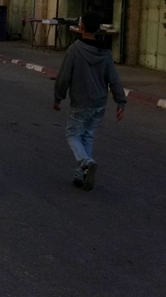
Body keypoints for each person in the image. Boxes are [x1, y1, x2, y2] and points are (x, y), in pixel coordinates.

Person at [53, 10, 126, 191]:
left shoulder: (75, 50)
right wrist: (120, 101)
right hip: (99, 104)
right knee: (87, 136)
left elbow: (63, 78)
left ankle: (86, 161)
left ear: (81, 26)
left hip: (81, 102)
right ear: (99, 28)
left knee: (73, 135)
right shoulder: (106, 53)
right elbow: (113, 78)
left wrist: (58, 98)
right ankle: (81, 176)